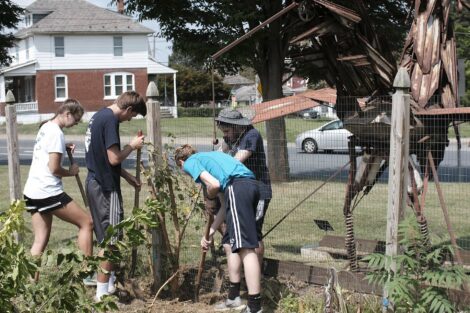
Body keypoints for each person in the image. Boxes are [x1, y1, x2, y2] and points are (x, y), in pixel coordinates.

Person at [175, 144, 263, 313]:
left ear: (181, 162)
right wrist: (210, 232)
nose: (185, 173)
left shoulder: (191, 162)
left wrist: (209, 195)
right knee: (230, 243)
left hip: (238, 187)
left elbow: (214, 185)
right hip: (247, 187)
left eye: (181, 169)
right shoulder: (211, 158)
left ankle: (254, 306)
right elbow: (224, 206)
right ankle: (233, 297)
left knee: (246, 248)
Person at [84, 91, 146, 301]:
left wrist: (128, 177)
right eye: (132, 115)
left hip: (95, 182)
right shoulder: (110, 120)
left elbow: (104, 158)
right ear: (128, 109)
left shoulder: (99, 116)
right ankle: (102, 294)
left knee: (109, 237)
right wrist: (132, 145)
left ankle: (108, 285)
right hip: (105, 187)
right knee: (111, 240)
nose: (130, 119)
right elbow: (113, 158)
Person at [23, 99, 94, 281]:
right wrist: (71, 172)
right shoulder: (56, 133)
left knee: (40, 241)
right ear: (67, 114)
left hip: (32, 191)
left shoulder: (46, 126)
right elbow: (54, 168)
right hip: (48, 192)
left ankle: (32, 285)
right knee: (87, 223)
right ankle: (88, 275)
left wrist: (63, 146)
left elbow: (48, 149)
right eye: (76, 120)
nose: (76, 124)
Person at [212, 108, 272, 311]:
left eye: (226, 130)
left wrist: (218, 160)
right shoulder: (232, 138)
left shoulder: (251, 135)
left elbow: (235, 162)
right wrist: (219, 149)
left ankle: (255, 287)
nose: (224, 134)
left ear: (236, 126)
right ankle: (234, 296)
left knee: (251, 240)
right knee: (231, 243)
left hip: (256, 193)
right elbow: (221, 157)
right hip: (236, 194)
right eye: (222, 130)